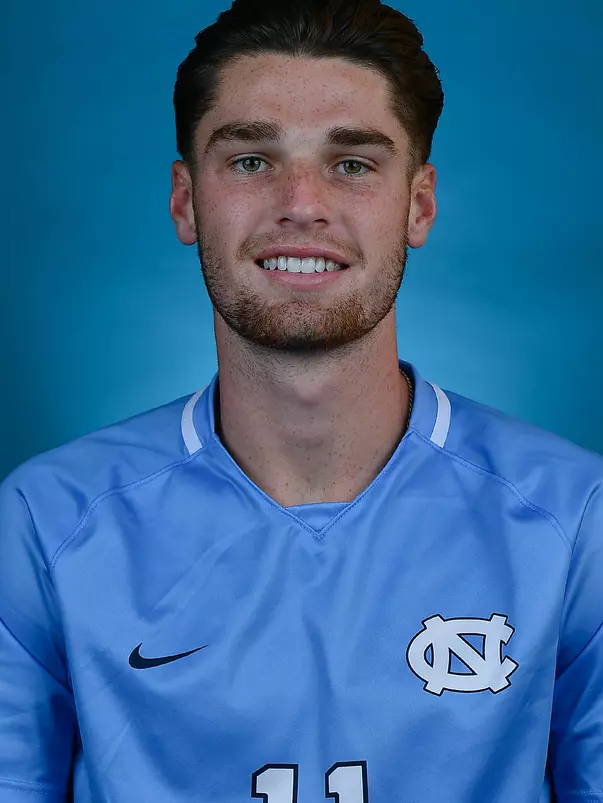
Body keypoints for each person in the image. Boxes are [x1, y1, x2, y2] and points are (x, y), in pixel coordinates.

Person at [0, 0, 601, 800]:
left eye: (351, 163)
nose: (301, 203)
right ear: (185, 200)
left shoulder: (575, 519)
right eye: (250, 160)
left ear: (418, 204)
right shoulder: (45, 523)